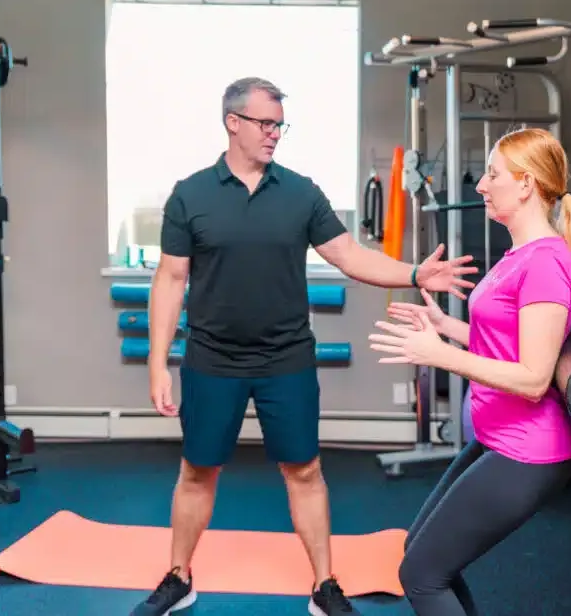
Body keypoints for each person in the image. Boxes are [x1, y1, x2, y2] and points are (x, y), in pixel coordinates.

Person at [130, 76, 478, 616]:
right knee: (198, 471)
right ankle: (179, 577)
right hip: (211, 358)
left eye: (279, 125)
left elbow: (348, 255)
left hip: (286, 358)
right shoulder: (190, 194)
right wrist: (157, 364)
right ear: (233, 122)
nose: (274, 135)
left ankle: (324, 585)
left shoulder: (300, 192)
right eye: (265, 124)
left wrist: (413, 271)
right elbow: (171, 280)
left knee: (305, 471)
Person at [369, 127, 571, 616]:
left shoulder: (548, 262)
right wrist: (445, 326)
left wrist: (438, 354)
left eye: (493, 175)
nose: (481, 186)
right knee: (423, 563)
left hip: (528, 451)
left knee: (422, 575)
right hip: (498, 439)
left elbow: (533, 377)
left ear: (526, 183)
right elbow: (509, 344)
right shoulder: (522, 255)